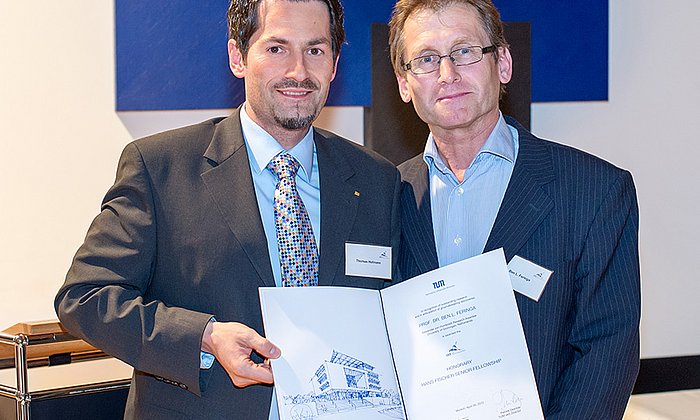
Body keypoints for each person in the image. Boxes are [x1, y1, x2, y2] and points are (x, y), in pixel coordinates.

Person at [55, 0, 400, 418]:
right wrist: (204, 336)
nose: (298, 71)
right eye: (276, 49)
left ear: (334, 62)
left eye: (315, 50)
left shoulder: (376, 180)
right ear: (238, 56)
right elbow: (85, 296)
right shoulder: (161, 167)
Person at [389, 0, 640, 418]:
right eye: (427, 59)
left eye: (465, 51)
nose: (447, 75)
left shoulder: (595, 191)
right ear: (404, 83)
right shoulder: (386, 195)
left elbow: (607, 351)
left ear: (502, 63)